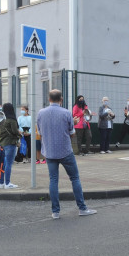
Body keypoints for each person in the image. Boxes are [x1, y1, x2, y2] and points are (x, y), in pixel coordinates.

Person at [36, 89, 97, 219]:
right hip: (65, 151)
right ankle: (82, 208)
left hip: (49, 151)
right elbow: (72, 133)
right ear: (61, 99)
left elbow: (40, 133)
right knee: (74, 178)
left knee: (53, 180)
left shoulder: (41, 113)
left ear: (49, 99)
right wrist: (74, 123)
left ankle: (55, 212)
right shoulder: (66, 113)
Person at [0, 102, 21, 189]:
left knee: (4, 163)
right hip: (10, 143)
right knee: (9, 163)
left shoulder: (2, 120)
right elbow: (15, 132)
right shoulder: (12, 120)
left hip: (3, 143)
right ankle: (7, 183)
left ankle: (1, 183)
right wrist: (20, 135)